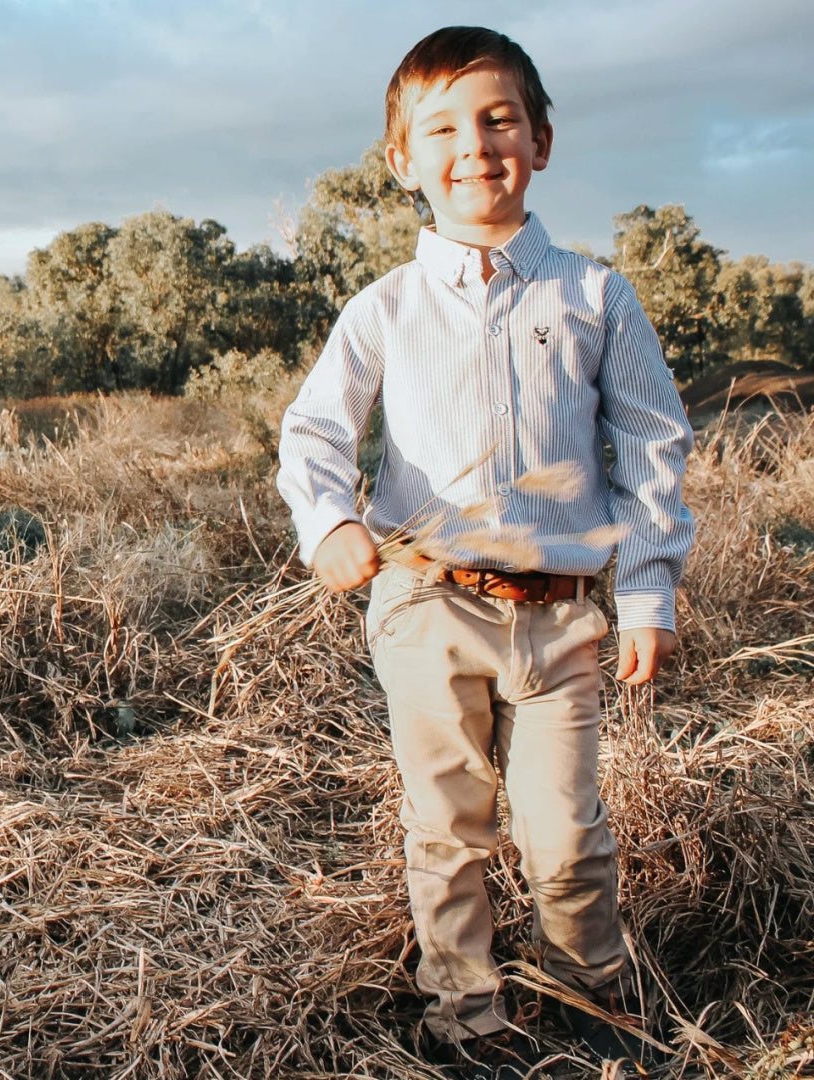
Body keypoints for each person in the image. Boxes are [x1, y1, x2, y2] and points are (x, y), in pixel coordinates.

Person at [276, 25, 694, 1079]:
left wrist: (648, 593)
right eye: (444, 129)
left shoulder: (595, 297)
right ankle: (464, 1017)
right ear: (401, 160)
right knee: (447, 824)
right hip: (426, 607)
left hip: (560, 616)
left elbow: (653, 443)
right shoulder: (385, 308)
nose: (475, 145)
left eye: (500, 119)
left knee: (565, 832)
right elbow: (314, 431)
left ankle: (594, 996)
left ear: (540, 141)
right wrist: (329, 525)